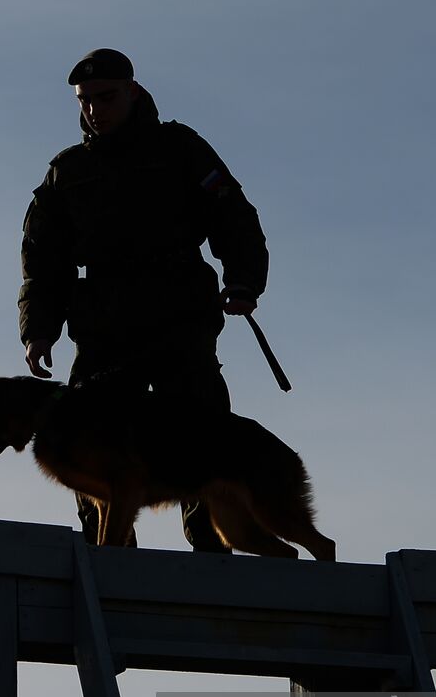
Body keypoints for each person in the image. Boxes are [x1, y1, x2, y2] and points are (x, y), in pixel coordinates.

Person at [18, 48, 269, 551]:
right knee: (88, 441)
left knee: (200, 435)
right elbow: (43, 257)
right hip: (103, 324)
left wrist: (243, 282)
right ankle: (110, 562)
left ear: (132, 91)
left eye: (106, 97)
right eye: (85, 100)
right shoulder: (67, 172)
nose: (94, 110)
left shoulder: (180, 148)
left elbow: (232, 215)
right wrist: (39, 328)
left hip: (178, 315)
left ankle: (211, 556)